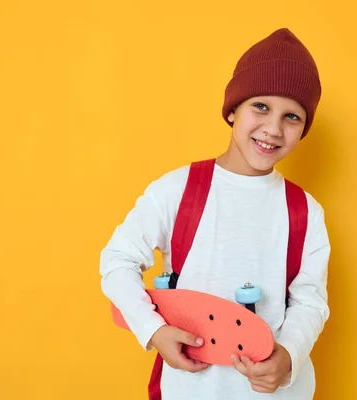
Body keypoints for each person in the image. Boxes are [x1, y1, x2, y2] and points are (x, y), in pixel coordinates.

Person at [100, 27, 331, 399]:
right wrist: (152, 330)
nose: (273, 128)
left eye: (292, 117)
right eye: (261, 106)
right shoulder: (177, 190)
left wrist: (287, 357)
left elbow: (310, 302)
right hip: (190, 389)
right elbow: (116, 260)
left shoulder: (306, 211)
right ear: (232, 109)